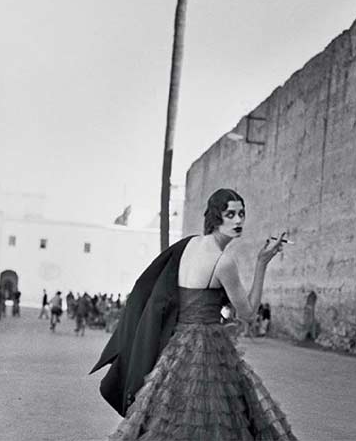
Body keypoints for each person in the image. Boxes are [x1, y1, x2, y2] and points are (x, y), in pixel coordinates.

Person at [91, 188, 297, 440]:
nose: (238, 220)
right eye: (230, 214)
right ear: (215, 216)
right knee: (216, 415)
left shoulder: (188, 245)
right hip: (209, 346)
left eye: (241, 213)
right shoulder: (224, 262)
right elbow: (247, 313)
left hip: (176, 344)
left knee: (169, 409)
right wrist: (262, 264)